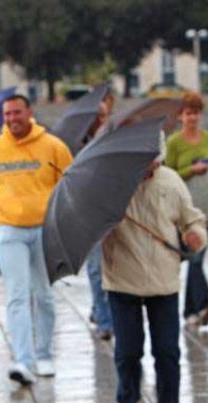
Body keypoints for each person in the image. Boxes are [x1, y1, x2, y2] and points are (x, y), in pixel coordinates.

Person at [103, 151, 207, 403]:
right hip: (122, 280)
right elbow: (92, 224)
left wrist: (195, 235)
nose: (150, 162)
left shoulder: (171, 181)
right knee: (128, 351)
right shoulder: (113, 184)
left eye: (154, 157)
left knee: (167, 353)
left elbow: (193, 219)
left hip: (164, 280)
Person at [0, 94, 73, 385]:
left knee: (43, 294)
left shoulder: (53, 147)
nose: (12, 119)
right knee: (17, 295)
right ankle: (23, 360)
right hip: (8, 229)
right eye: (7, 114)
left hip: (46, 230)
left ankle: (44, 354)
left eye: (17, 113)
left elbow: (70, 187)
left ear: (29, 112)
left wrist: (67, 227)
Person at [165, 91, 208, 327]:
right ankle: (200, 305)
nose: (193, 118)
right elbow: (169, 175)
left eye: (196, 113)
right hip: (185, 210)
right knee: (192, 259)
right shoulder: (173, 143)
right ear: (180, 116)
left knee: (197, 259)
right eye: (188, 113)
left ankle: (195, 309)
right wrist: (191, 170)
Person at [83, 101, 114, 341]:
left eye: (102, 115)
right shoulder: (77, 146)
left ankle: (100, 310)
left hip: (112, 212)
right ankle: (105, 321)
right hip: (88, 214)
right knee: (95, 269)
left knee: (113, 269)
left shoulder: (114, 140)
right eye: (95, 116)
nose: (98, 120)